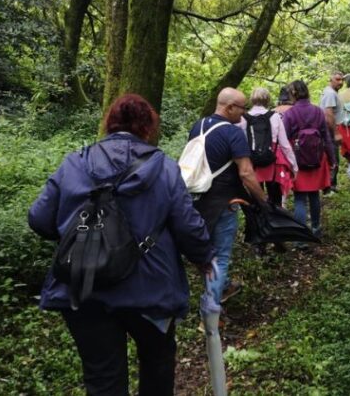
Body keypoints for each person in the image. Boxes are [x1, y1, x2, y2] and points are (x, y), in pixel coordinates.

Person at [28, 93, 213, 395]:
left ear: (109, 123)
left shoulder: (75, 162)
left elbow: (38, 218)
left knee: (103, 379)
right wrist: (204, 256)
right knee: (157, 366)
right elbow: (188, 226)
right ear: (148, 128)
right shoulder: (164, 168)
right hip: (150, 291)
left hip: (83, 288)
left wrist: (78, 235)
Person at [188, 87, 268, 311]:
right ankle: (211, 310)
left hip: (198, 200)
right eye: (243, 108)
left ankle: (220, 287)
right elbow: (246, 173)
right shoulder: (233, 133)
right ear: (230, 107)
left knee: (206, 251)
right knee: (220, 257)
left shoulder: (199, 125)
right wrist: (262, 200)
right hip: (224, 202)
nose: (244, 113)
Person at [281, 80, 333, 238]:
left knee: (299, 199)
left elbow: (284, 139)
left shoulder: (290, 113)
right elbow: (326, 137)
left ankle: (300, 237)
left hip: (297, 160)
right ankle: (316, 229)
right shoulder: (318, 111)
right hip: (317, 158)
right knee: (314, 195)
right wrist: (332, 160)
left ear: (293, 94)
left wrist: (285, 163)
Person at [245, 87, 297, 210]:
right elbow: (285, 145)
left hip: (252, 163)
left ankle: (259, 225)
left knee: (256, 200)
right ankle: (276, 222)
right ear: (268, 100)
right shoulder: (274, 117)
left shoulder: (244, 118)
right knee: (275, 200)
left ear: (252, 99)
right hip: (272, 162)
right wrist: (294, 165)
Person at [319, 72, 344, 192]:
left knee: (331, 157)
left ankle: (329, 185)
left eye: (342, 80)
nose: (340, 82)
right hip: (329, 130)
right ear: (331, 79)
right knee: (333, 158)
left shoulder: (330, 92)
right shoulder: (330, 94)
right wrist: (335, 133)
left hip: (328, 129)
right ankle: (330, 186)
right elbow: (329, 113)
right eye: (337, 79)